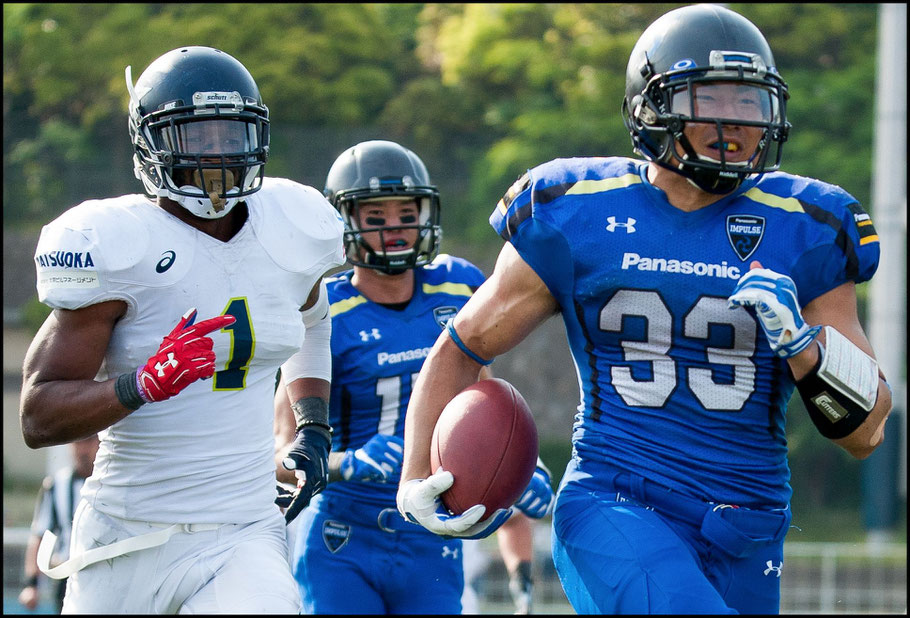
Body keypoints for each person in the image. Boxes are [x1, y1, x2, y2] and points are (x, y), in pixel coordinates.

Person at [396, 4, 892, 615]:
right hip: (616, 501)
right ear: (650, 110)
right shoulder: (577, 211)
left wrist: (804, 347)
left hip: (748, 526)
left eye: (748, 102)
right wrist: (415, 474)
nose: (733, 121)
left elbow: (869, 431)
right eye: (709, 99)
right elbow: (463, 345)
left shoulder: (808, 226)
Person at [19, 46, 345, 613]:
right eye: (196, 138)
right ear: (151, 142)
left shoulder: (294, 226)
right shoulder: (116, 244)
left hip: (242, 531)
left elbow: (313, 321)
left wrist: (312, 425)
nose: (217, 154)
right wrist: (141, 385)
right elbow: (37, 413)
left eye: (229, 134)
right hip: (123, 536)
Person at [273, 139, 554, 614]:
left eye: (407, 211)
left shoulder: (459, 284)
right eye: (376, 217)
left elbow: (481, 403)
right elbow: (278, 457)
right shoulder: (324, 308)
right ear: (344, 222)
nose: (396, 228)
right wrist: (347, 462)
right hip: (343, 538)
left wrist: (518, 465)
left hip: (431, 531)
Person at [18, 434, 100, 613]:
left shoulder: (111, 484)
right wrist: (32, 584)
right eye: (77, 441)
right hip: (67, 576)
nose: (82, 450)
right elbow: (41, 535)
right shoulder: (56, 484)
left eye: (88, 441)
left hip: (106, 573)